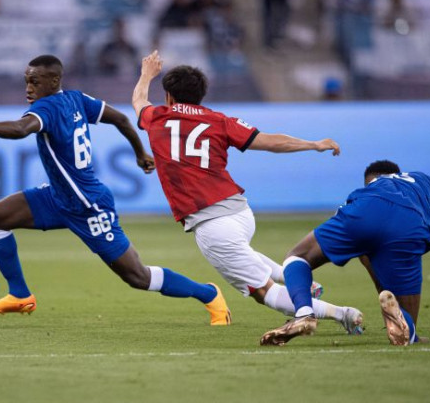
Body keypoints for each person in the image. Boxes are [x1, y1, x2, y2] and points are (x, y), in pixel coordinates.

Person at [0, 54, 232, 326]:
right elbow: (121, 119)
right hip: (58, 197)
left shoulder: (46, 109)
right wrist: (139, 153)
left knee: (137, 276)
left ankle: (208, 294)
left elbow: (22, 129)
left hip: (88, 206)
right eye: (26, 81)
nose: (28, 88)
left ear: (54, 81)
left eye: (34, 82)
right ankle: (19, 295)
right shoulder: (77, 99)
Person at [131, 50, 364, 335]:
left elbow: (138, 101)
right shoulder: (220, 120)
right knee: (243, 252)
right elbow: (269, 142)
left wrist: (146, 75)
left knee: (263, 292)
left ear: (168, 97)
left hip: (211, 223)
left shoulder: (157, 117)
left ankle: (342, 314)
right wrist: (313, 144)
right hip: (239, 211)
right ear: (201, 96)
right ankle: (299, 281)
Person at [261, 160, 430, 346]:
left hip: (363, 213)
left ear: (371, 180)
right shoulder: (420, 180)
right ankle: (409, 331)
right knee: (404, 308)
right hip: (410, 226)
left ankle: (304, 313)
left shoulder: (368, 191)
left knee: (299, 256)